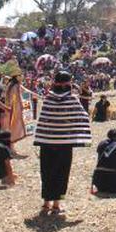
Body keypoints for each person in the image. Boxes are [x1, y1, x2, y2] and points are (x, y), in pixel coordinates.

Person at [33, 70, 92, 216]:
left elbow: (44, 120)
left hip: (47, 143)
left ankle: (46, 203)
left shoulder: (48, 99)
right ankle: (56, 205)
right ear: (69, 83)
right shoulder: (72, 99)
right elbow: (83, 116)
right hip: (64, 145)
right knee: (61, 173)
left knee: (46, 172)